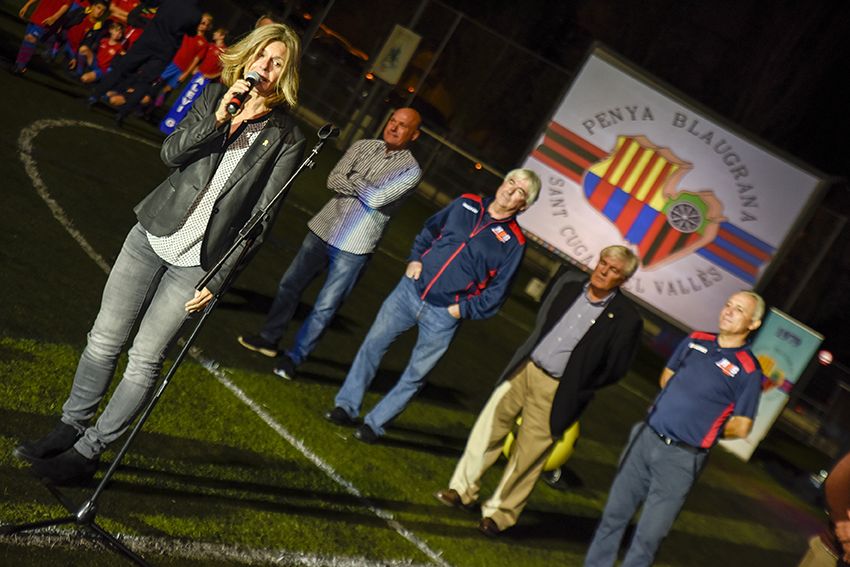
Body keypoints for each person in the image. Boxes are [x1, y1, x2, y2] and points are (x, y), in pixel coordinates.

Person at [13, 23, 306, 486]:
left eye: (278, 63)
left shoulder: (286, 137)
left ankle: (89, 451)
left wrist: (219, 278)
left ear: (286, 74)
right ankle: (68, 426)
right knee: (103, 339)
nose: (266, 68)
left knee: (146, 359)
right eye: (262, 57)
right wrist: (220, 120)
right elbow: (171, 154)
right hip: (151, 233)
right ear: (247, 58)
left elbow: (261, 220)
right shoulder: (213, 96)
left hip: (198, 263)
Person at [434, 246, 643, 536]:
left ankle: (499, 515)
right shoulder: (569, 283)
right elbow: (544, 316)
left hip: (559, 389)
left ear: (623, 279)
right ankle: (461, 490)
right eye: (603, 262)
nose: (603, 271)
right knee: (488, 429)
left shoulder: (626, 319)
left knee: (529, 455)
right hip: (525, 368)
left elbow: (615, 368)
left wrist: (579, 382)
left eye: (613, 270)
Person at [324, 169, 541, 444]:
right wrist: (415, 258)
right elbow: (430, 229)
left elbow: (497, 293)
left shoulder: (514, 243)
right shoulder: (467, 202)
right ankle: (346, 406)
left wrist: (462, 309)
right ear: (502, 182)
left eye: (520, 191)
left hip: (444, 316)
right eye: (511, 182)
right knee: (372, 347)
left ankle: (375, 424)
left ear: (524, 205)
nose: (511, 190)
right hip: (409, 292)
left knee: (416, 374)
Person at [237, 107, 423, 380]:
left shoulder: (411, 170)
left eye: (402, 125)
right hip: (323, 228)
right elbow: (332, 178)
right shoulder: (363, 146)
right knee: (289, 285)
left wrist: (355, 178)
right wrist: (363, 184)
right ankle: (269, 338)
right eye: (392, 120)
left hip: (355, 247)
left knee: (325, 308)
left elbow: (376, 199)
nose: (393, 127)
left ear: (414, 134)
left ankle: (294, 358)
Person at [584, 291, 765, 567]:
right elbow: (667, 376)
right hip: (646, 437)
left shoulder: (748, 370)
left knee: (648, 538)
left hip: (682, 459)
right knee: (613, 517)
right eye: (728, 305)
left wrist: (706, 430)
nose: (728, 311)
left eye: (739, 310)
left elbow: (741, 427)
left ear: (753, 324)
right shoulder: (696, 340)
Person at [88, 0, 202, 125]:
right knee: (145, 82)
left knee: (122, 69)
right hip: (166, 49)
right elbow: (191, 32)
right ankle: (122, 114)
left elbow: (150, 4)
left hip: (148, 39)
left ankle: (95, 96)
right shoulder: (196, 13)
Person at [152, 12, 213, 108]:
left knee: (168, 89)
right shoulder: (187, 32)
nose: (203, 26)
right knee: (156, 82)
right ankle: (143, 102)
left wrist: (186, 73)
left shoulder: (204, 43)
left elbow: (196, 59)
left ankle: (151, 109)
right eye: (202, 22)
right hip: (171, 62)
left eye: (206, 24)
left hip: (182, 69)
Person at [12, 0, 71, 74]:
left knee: (30, 38)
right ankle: (19, 64)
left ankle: (20, 66)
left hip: (47, 21)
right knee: (27, 39)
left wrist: (54, 18)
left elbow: (65, 5)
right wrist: (27, 5)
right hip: (36, 16)